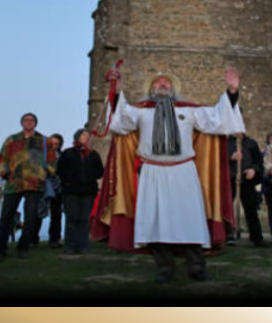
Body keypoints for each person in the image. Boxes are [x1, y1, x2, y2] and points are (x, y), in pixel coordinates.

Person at [92, 67, 244, 283]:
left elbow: (218, 117)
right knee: (155, 222)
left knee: (190, 221)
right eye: (158, 82)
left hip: (184, 172)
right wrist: (117, 89)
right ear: (151, 88)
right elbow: (121, 118)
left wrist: (231, 91)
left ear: (173, 88)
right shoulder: (141, 111)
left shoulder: (190, 111)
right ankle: (164, 269)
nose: (162, 85)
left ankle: (196, 267)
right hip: (152, 172)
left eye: (166, 83)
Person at [0, 113, 58, 262]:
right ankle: (0, 249)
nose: (29, 122)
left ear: (35, 123)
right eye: (26, 120)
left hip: (34, 184)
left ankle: (23, 247)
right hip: (13, 183)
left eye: (32, 120)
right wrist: (5, 174)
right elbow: (2, 158)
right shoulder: (12, 140)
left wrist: (46, 173)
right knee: (6, 217)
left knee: (31, 217)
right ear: (22, 123)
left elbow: (52, 160)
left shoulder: (44, 141)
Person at [56, 129, 104, 255]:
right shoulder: (68, 153)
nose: (86, 137)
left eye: (87, 135)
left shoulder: (93, 155)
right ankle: (70, 245)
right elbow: (60, 170)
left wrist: (90, 176)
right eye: (83, 135)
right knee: (72, 218)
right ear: (77, 137)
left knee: (84, 219)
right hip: (71, 191)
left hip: (88, 191)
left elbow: (100, 171)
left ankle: (83, 246)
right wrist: (68, 180)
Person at [227, 133, 268, 247]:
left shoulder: (250, 143)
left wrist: (253, 170)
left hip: (246, 180)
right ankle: (227, 236)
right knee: (226, 208)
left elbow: (258, 160)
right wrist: (231, 156)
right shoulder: (225, 143)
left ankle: (256, 237)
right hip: (230, 179)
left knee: (251, 208)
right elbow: (218, 159)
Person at [32, 133, 65, 248]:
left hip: (57, 188)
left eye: (57, 144)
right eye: (52, 143)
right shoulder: (41, 156)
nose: (54, 146)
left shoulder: (61, 155)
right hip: (42, 187)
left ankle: (54, 239)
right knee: (39, 213)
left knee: (56, 214)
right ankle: (33, 238)